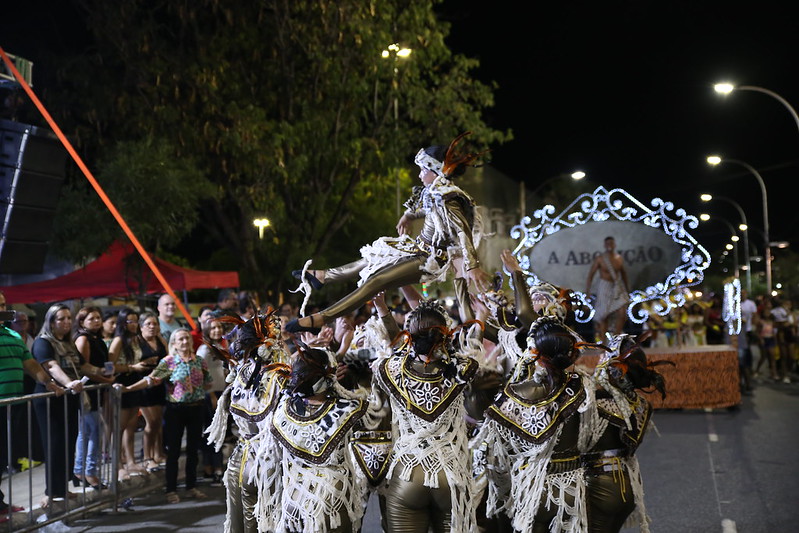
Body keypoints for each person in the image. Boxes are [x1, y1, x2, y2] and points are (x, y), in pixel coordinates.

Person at [287, 132, 492, 333]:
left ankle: (323, 318)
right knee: (376, 255)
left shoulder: (449, 197)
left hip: (430, 259)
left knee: (376, 281)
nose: (420, 175)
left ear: (435, 170)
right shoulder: (436, 192)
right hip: (417, 248)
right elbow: (427, 210)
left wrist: (472, 266)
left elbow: (462, 229)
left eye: (422, 170)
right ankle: (325, 276)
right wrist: (408, 216)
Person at [478, 314, 598, 533]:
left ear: (535, 353)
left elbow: (497, 456)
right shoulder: (584, 388)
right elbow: (590, 437)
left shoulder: (514, 393)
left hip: (531, 488)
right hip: (571, 486)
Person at [372, 299, 481, 533]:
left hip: (408, 472)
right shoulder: (464, 368)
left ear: (410, 336)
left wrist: (383, 310)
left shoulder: (390, 369)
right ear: (445, 336)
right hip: (450, 473)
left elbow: (398, 346)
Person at [271, 344, 381, 533]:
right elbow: (377, 409)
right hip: (332, 497)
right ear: (329, 379)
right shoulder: (350, 408)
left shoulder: (282, 408)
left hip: (294, 498)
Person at [205, 310, 291, 533]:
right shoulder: (280, 377)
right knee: (267, 523)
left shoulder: (240, 373)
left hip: (239, 460)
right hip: (268, 465)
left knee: (239, 525)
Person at [586, 333, 670, 532]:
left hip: (598, 483)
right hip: (626, 482)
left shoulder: (594, 403)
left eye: (603, 360)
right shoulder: (640, 405)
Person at [116, 328, 212, 503]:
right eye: (180, 339)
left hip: (196, 408)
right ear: (174, 343)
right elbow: (151, 379)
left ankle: (191, 487)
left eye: (187, 339)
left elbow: (208, 382)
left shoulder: (199, 361)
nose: (185, 342)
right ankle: (171, 489)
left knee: (193, 450)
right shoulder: (169, 362)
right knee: (173, 451)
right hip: (176, 410)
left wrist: (196, 391)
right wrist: (129, 389)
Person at [1, 313, 61, 521]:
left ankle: (0, 503)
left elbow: (30, 364)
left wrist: (47, 382)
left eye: (2, 305)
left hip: (13, 405)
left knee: (4, 456)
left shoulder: (12, 335)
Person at [31, 304, 90, 512]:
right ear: (50, 321)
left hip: (68, 398)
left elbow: (83, 366)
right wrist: (69, 383)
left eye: (68, 318)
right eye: (60, 318)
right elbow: (51, 366)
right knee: (53, 444)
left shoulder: (69, 343)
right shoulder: (42, 342)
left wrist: (107, 374)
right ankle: (50, 492)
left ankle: (61, 489)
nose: (66, 322)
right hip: (50, 399)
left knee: (68, 443)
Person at [108, 307, 159, 478]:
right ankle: (118, 464)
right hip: (122, 383)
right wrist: (132, 367)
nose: (133, 324)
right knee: (119, 427)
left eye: (135, 321)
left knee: (131, 425)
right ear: (123, 322)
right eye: (129, 321)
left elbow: (134, 360)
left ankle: (131, 462)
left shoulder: (135, 340)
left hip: (134, 382)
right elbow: (110, 366)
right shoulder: (119, 340)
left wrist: (144, 362)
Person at [72, 306, 115, 489]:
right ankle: (87, 471)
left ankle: (82, 470)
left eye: (98, 317)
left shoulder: (98, 339)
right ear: (82, 321)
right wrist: (105, 379)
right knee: (93, 430)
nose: (96, 321)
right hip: (88, 391)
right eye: (91, 318)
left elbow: (103, 364)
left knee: (88, 431)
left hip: (98, 389)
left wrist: (108, 376)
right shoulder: (83, 339)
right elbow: (84, 369)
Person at [196, 316, 229, 486]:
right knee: (214, 432)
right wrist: (211, 395)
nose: (217, 330)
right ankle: (214, 469)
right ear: (207, 331)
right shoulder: (204, 349)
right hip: (210, 394)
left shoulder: (219, 347)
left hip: (220, 392)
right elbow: (200, 374)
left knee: (218, 431)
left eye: (219, 327)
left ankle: (212, 467)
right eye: (213, 328)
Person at [138, 312, 169, 471]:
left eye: (155, 324)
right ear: (141, 326)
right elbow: (132, 362)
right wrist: (144, 363)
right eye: (148, 324)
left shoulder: (161, 340)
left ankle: (158, 453)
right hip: (143, 385)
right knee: (150, 422)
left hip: (158, 384)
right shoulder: (137, 342)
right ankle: (146, 457)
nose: (152, 327)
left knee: (158, 422)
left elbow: (168, 360)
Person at [586, 236, 630, 341]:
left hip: (617, 286)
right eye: (607, 243)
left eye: (611, 243)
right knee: (603, 316)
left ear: (614, 244)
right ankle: (603, 343)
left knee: (622, 313)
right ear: (605, 245)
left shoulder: (619, 258)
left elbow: (623, 274)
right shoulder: (600, 258)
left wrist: (627, 290)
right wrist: (588, 291)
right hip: (604, 286)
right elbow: (591, 275)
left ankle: (615, 338)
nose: (609, 245)